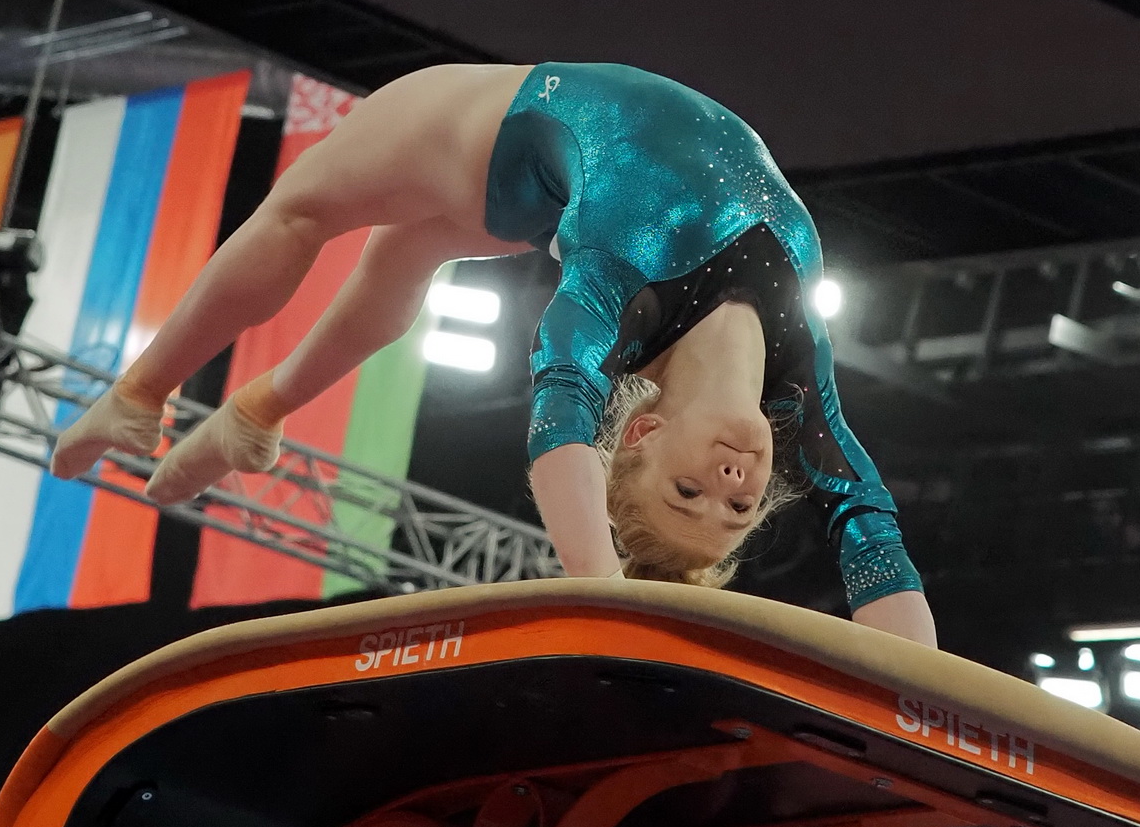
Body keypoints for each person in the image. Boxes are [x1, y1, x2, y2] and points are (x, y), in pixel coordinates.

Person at [52, 61, 934, 639]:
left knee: (300, 213)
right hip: (539, 177)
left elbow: (558, 431)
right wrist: (914, 699)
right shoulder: (800, 378)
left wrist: (600, 593)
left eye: (687, 492)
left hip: (492, 128)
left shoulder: (619, 289)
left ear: (640, 434)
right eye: (737, 508)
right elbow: (872, 531)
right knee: (400, 258)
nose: (731, 485)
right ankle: (257, 413)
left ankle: (140, 396)